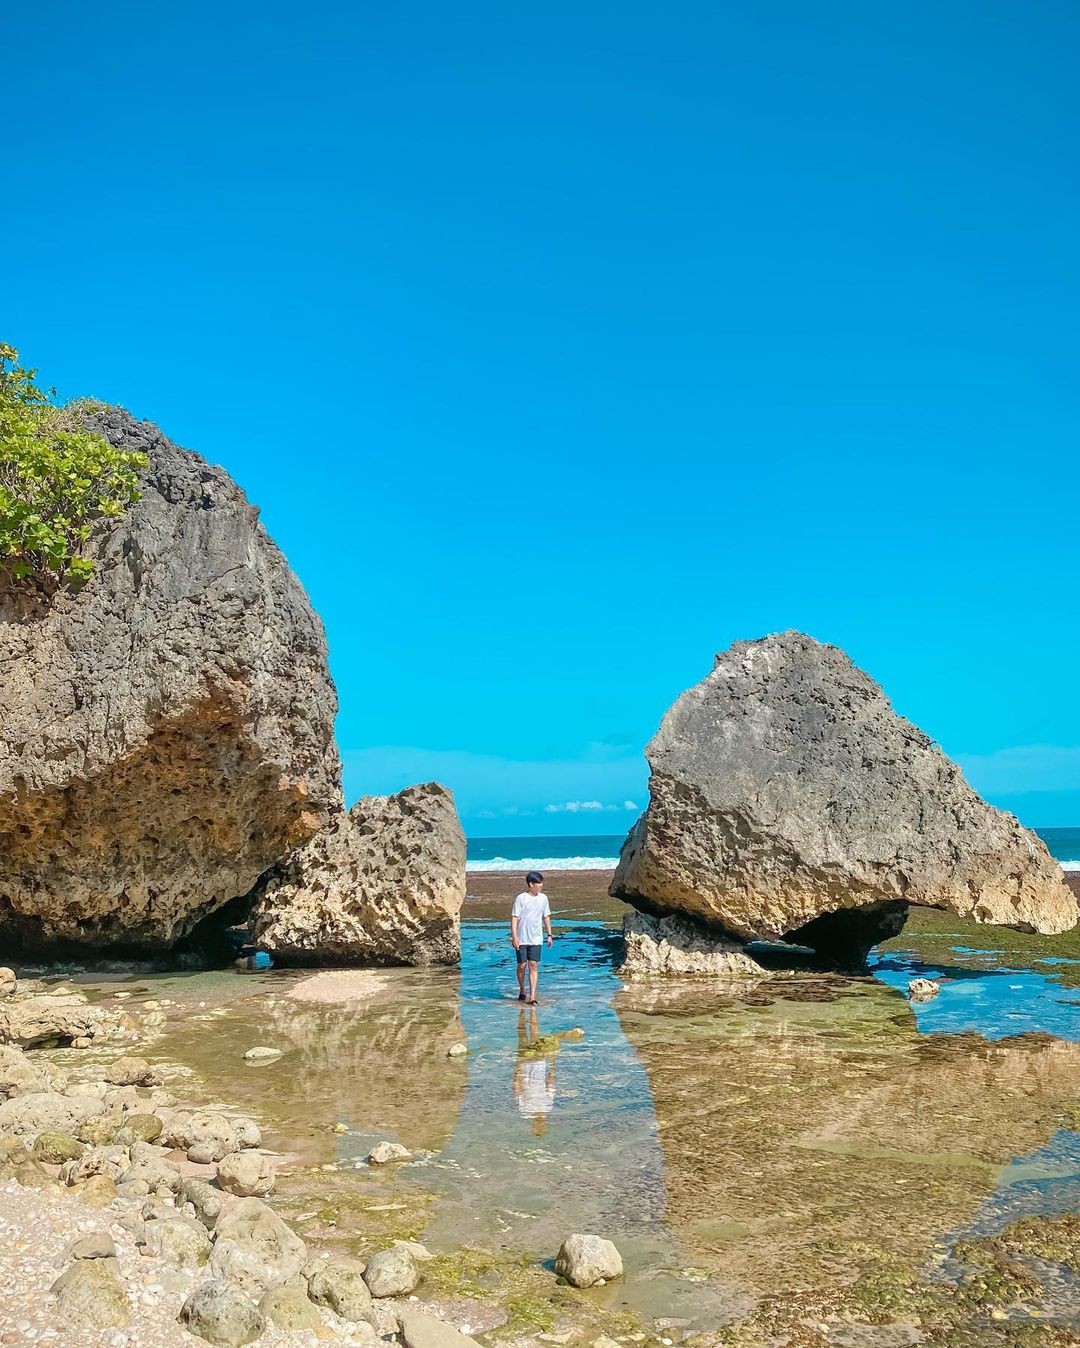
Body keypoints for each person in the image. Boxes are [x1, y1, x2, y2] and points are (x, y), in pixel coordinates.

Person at [511, 870, 553, 1003]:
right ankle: (522, 989)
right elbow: (514, 918)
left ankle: (532, 996)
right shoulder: (521, 898)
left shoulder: (543, 898)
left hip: (536, 938)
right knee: (522, 965)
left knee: (533, 965)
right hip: (522, 938)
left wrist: (549, 935)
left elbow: (546, 916)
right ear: (531, 884)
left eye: (541, 883)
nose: (541, 885)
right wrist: (514, 936)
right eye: (538, 883)